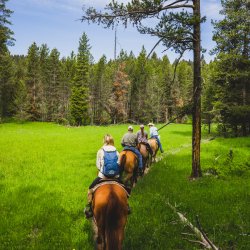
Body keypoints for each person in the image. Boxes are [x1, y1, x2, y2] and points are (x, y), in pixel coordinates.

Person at [84, 134, 121, 219]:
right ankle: (127, 206)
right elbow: (119, 164)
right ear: (112, 141)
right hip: (115, 177)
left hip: (103, 176)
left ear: (104, 141)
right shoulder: (116, 151)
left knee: (90, 189)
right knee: (125, 188)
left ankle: (89, 208)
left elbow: (98, 165)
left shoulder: (100, 151)